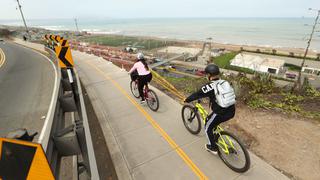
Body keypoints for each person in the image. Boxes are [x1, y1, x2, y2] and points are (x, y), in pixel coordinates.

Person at [184, 64, 236, 155]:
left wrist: (187, 100)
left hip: (220, 112)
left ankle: (213, 148)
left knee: (207, 127)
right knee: (214, 123)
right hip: (231, 111)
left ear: (209, 75)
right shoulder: (225, 82)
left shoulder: (209, 86)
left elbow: (197, 94)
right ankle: (215, 131)